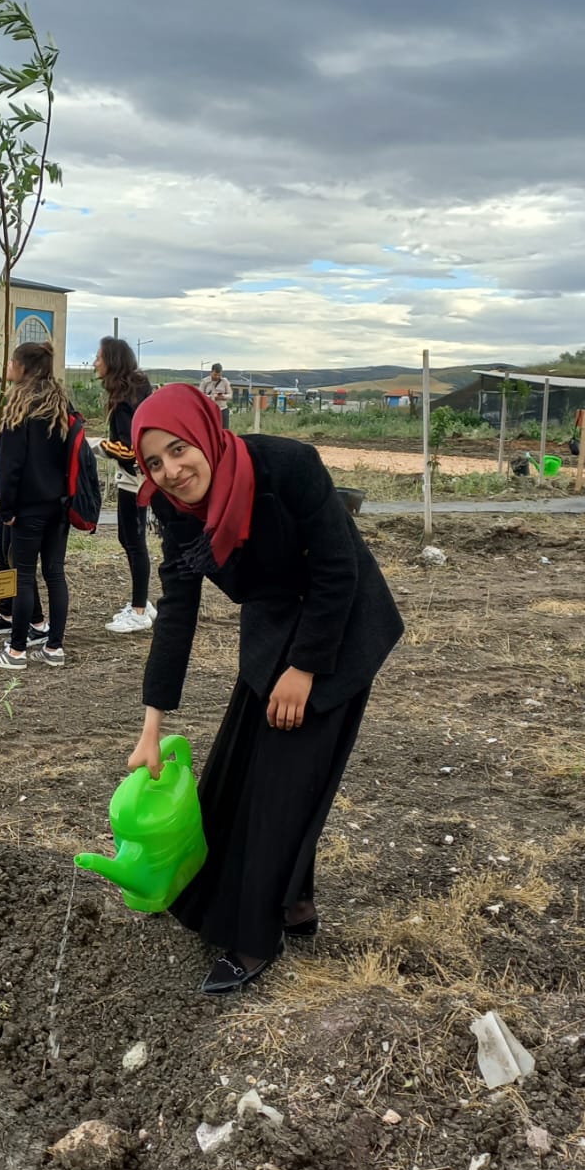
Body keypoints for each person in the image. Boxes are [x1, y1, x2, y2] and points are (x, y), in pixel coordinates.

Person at [127, 383, 402, 995]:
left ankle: (255, 936)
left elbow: (337, 568)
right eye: (154, 462)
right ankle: (294, 904)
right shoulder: (174, 509)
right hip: (274, 619)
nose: (171, 471)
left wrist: (304, 669)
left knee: (284, 781)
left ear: (204, 434)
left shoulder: (288, 465)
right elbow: (177, 612)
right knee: (240, 766)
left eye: (179, 449)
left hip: (341, 620)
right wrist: (152, 724)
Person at [0, 342, 73, 672]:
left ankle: (16, 652)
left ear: (23, 367)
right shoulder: (60, 402)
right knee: (55, 573)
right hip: (60, 504)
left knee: (22, 575)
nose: (8, 366)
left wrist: (7, 509)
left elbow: (11, 465)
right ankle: (54, 647)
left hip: (28, 507)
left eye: (12, 361)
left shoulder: (18, 405)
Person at [94, 335, 155, 634]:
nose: (95, 363)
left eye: (99, 357)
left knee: (133, 540)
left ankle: (139, 610)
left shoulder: (123, 400)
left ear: (112, 361)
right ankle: (142, 601)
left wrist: (95, 446)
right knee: (129, 537)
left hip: (135, 479)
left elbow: (128, 449)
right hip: (141, 476)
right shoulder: (138, 389)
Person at [200, 362, 233, 429]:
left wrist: (223, 396)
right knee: (210, 429)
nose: (217, 377)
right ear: (211, 372)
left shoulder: (224, 381)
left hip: (222, 409)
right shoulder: (205, 381)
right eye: (215, 375)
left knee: (224, 430)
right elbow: (200, 395)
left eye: (219, 375)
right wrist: (212, 397)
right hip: (209, 410)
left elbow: (230, 395)